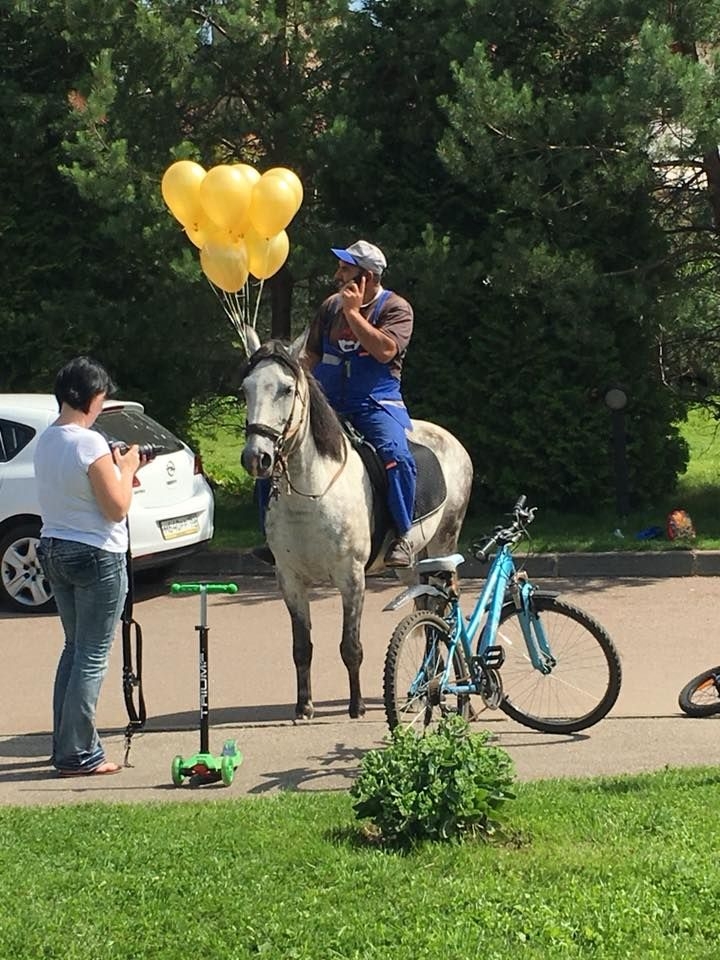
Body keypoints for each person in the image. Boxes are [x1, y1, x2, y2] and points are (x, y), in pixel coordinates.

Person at [253, 240, 417, 567]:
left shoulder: (396, 308)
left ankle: (404, 536)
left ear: (366, 278)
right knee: (269, 457)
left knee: (396, 457)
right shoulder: (329, 307)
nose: (337, 275)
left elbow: (384, 350)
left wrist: (354, 314)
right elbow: (310, 354)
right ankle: (270, 535)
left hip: (376, 404)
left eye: (345, 269)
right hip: (327, 404)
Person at [34, 357, 141, 777]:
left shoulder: (47, 439)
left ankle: (64, 744)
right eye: (102, 396)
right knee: (93, 656)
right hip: (97, 554)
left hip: (55, 547)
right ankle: (79, 753)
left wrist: (117, 472)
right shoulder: (89, 442)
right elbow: (116, 509)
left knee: (74, 649)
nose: (104, 402)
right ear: (90, 397)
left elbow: (85, 492)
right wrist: (127, 468)